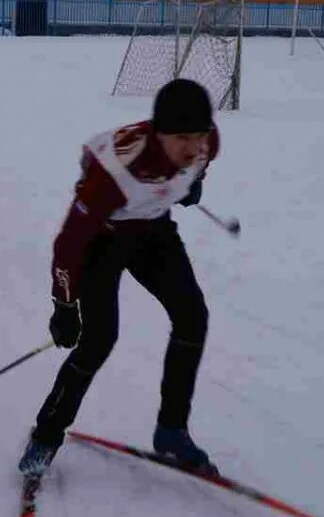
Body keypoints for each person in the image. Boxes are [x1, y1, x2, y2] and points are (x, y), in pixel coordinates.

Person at [18, 78, 222, 478]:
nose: (193, 147)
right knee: (98, 340)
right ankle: (46, 434)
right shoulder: (114, 171)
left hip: (153, 230)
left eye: (198, 136)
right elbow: (69, 243)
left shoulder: (207, 144)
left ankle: (171, 429)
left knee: (192, 317)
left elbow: (196, 164)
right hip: (103, 239)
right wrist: (64, 305)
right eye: (182, 138)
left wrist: (191, 184)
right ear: (158, 132)